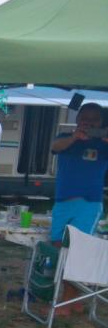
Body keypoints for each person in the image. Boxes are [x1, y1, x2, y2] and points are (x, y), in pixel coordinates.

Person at [50, 102, 108, 244]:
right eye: (84, 118)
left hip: (90, 203)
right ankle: (59, 260)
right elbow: (55, 147)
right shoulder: (66, 136)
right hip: (62, 200)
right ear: (77, 119)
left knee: (79, 244)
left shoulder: (103, 144)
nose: (89, 122)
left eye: (95, 119)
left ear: (102, 122)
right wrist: (74, 137)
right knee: (56, 241)